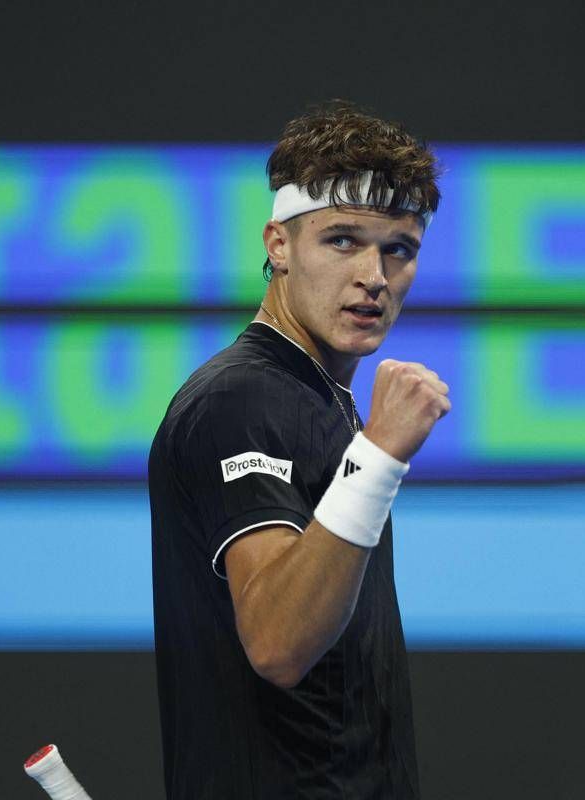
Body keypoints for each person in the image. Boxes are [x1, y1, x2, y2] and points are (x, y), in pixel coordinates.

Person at [148, 101, 449, 799]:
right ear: (278, 245)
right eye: (342, 240)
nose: (374, 275)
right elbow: (279, 644)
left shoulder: (316, 400)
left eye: (399, 249)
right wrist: (379, 455)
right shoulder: (240, 400)